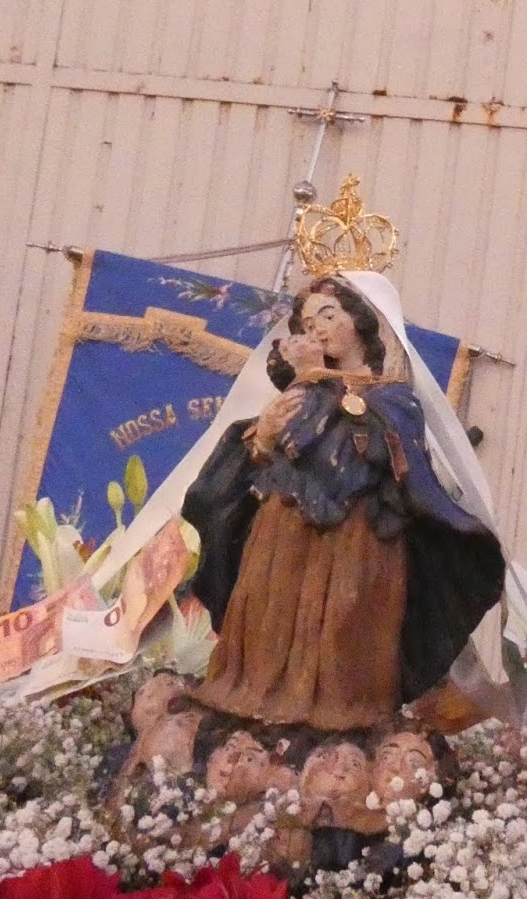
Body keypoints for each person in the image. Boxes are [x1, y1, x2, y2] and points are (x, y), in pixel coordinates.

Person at [181, 276, 506, 731]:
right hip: (282, 535)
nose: (316, 328)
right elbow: (268, 454)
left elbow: (364, 453)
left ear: (360, 321)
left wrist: (314, 379)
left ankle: (344, 723)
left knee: (342, 632)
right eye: (308, 322)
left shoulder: (392, 397)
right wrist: (263, 437)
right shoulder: (300, 392)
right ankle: (257, 709)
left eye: (328, 315)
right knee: (270, 624)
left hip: (355, 540)